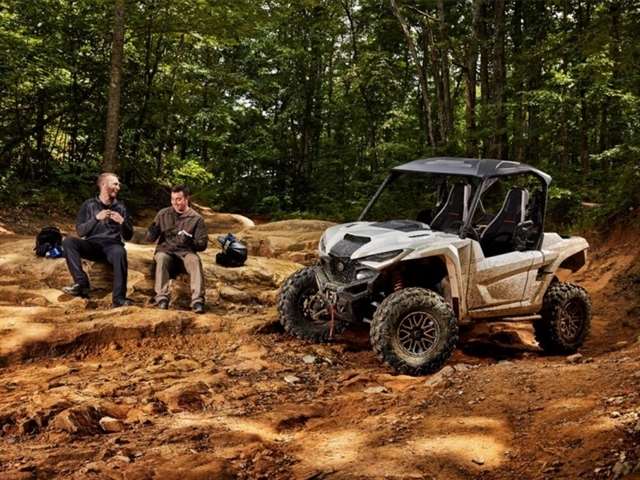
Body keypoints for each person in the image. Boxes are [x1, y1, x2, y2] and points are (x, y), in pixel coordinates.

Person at [62, 172, 134, 307]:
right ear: (103, 185)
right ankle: (81, 283)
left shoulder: (121, 207)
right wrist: (96, 218)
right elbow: (81, 232)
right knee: (68, 241)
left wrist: (122, 222)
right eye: (115, 184)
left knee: (120, 252)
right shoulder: (88, 205)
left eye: (118, 185)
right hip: (92, 245)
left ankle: (119, 298)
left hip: (112, 247)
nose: (118, 188)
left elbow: (129, 236)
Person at [146, 185, 208, 313]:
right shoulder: (163, 214)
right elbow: (150, 239)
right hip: (166, 251)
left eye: (178, 199)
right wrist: (152, 231)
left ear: (186, 199)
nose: (175, 202)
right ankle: (162, 298)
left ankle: (197, 301)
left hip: (186, 253)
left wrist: (190, 241)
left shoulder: (197, 218)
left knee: (195, 260)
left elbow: (202, 245)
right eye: (172, 199)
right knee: (161, 258)